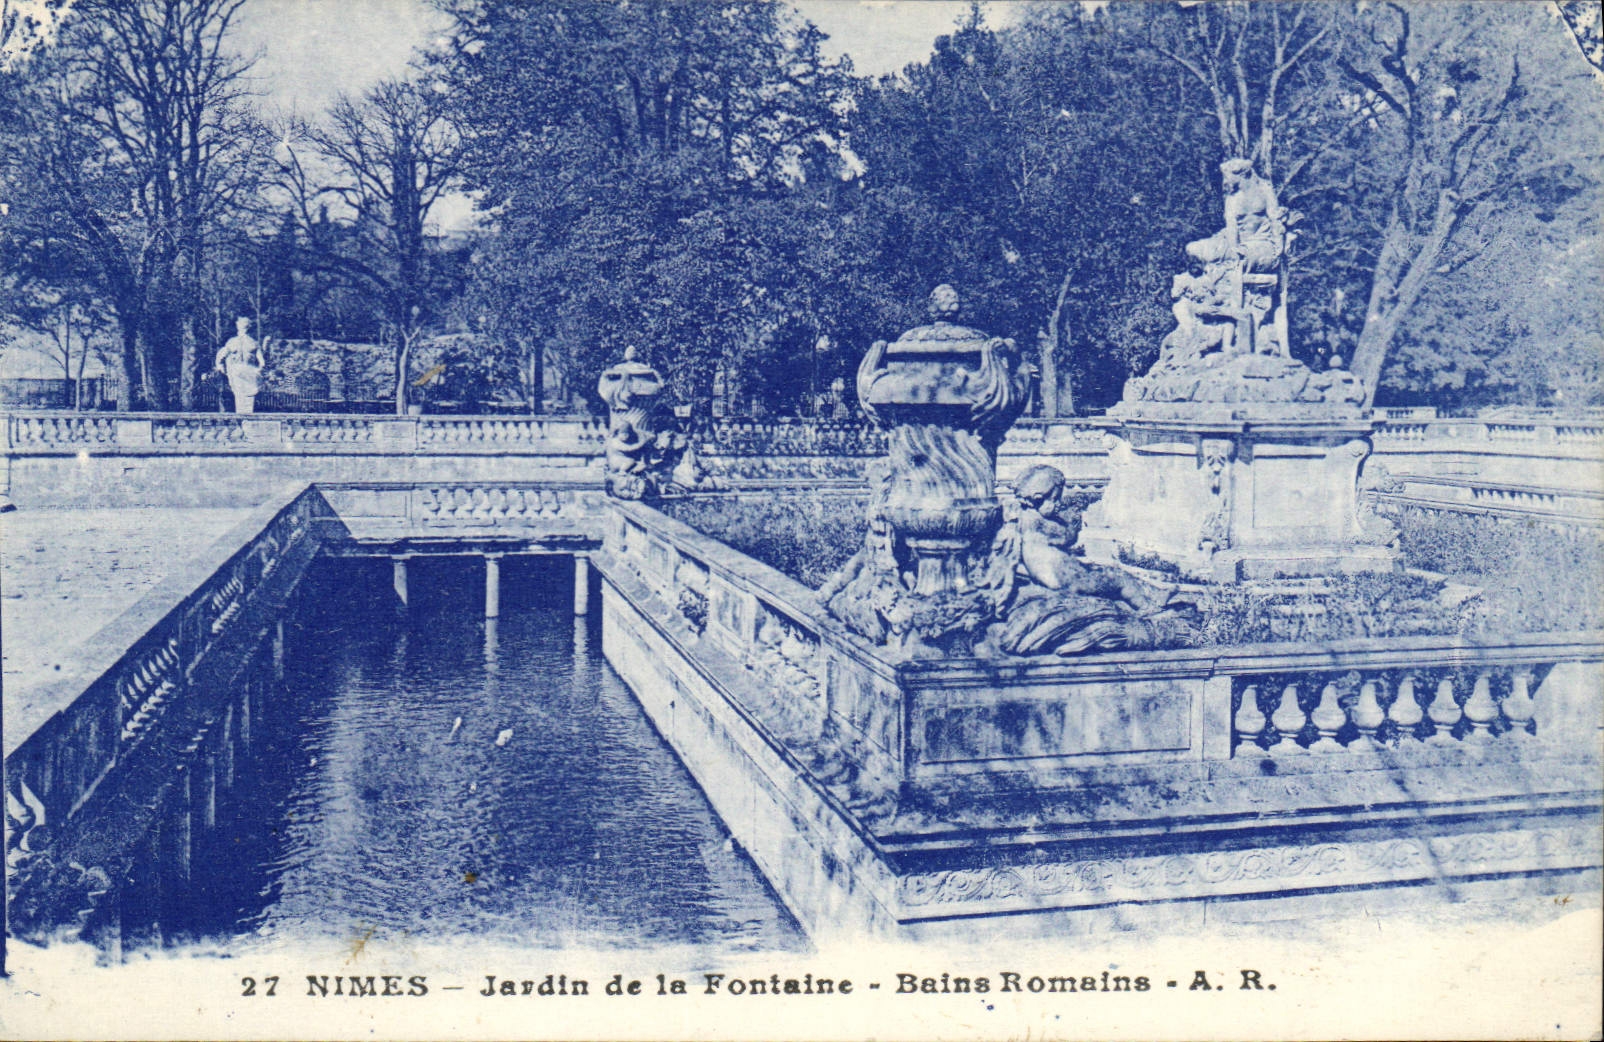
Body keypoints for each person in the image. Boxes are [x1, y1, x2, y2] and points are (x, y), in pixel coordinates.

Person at [215, 316, 266, 413]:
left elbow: (262, 361)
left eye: (245, 324)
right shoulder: (232, 342)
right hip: (237, 370)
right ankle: (243, 422)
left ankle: (246, 422)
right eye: (241, 323)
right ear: (238, 325)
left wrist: (259, 369)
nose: (243, 326)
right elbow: (221, 355)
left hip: (249, 371)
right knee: (240, 396)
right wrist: (219, 365)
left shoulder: (253, 343)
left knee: (249, 396)